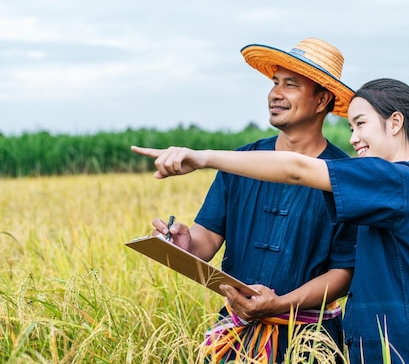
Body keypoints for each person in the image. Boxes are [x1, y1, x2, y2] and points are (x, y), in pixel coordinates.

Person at [132, 78, 409, 364]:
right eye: (351, 127)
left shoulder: (397, 180)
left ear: (395, 123)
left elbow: (297, 169)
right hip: (389, 349)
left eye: (361, 124)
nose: (353, 138)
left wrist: (202, 157)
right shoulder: (392, 185)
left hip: (406, 351)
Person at [141, 38, 357, 363]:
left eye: (291, 84)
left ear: (321, 99)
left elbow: (343, 272)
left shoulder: (343, 177)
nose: (275, 94)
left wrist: (282, 305)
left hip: (312, 343)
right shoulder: (240, 161)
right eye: (274, 83)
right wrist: (184, 244)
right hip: (236, 336)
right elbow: (207, 239)